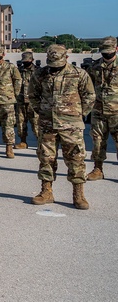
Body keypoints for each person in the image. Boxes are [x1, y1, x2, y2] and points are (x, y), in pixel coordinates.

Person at [30, 44, 95, 208]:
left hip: (71, 125)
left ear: (66, 58)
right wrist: (43, 112)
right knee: (46, 158)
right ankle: (46, 192)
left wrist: (78, 115)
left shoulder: (79, 74)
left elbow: (89, 96)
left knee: (76, 159)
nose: (54, 68)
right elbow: (32, 95)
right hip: (47, 124)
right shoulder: (40, 74)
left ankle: (78, 194)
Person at [87, 36, 118, 181]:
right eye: (104, 52)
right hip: (98, 110)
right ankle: (98, 169)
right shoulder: (94, 67)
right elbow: (88, 88)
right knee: (97, 141)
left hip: (117, 112)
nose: (107, 55)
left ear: (116, 49)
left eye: (110, 52)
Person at [16, 51, 39, 149]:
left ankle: (40, 142)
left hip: (33, 102)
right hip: (20, 100)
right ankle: (23, 141)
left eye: (28, 61)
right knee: (21, 122)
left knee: (36, 123)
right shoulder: (19, 71)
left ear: (32, 60)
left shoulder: (38, 71)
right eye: (24, 61)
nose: (26, 63)